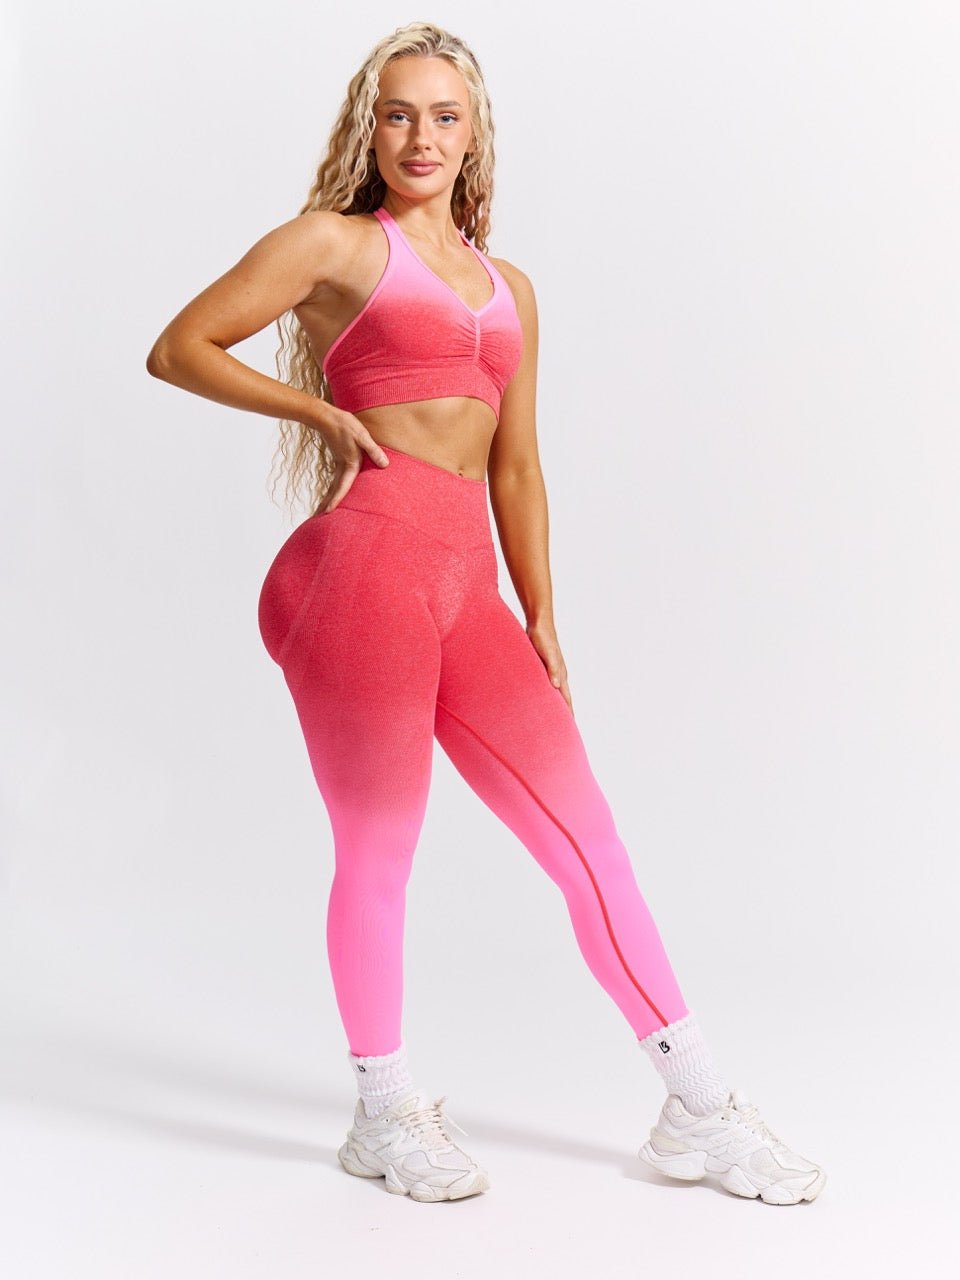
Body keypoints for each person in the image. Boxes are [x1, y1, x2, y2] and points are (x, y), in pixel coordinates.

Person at [146, 21, 825, 1206]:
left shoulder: (512, 290)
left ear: (475, 135)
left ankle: (701, 1105)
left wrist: (543, 610)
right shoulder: (333, 244)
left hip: (471, 587)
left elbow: (517, 462)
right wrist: (317, 414)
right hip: (363, 571)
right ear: (370, 128)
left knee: (589, 839)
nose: (421, 135)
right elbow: (178, 346)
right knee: (380, 846)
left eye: (444, 116)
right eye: (399, 113)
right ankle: (383, 1110)